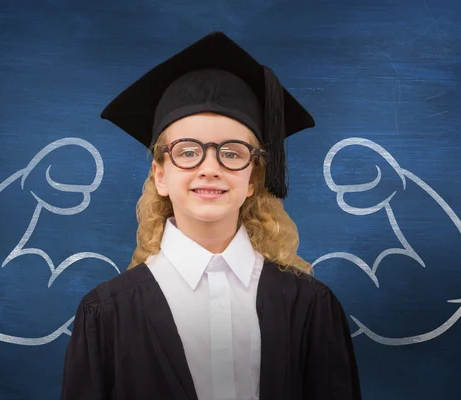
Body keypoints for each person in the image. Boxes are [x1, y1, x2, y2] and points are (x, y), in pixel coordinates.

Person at [60, 31, 362, 400]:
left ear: (253, 178)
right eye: (188, 152)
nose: (210, 168)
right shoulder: (105, 314)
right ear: (160, 174)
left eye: (232, 154)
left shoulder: (310, 306)